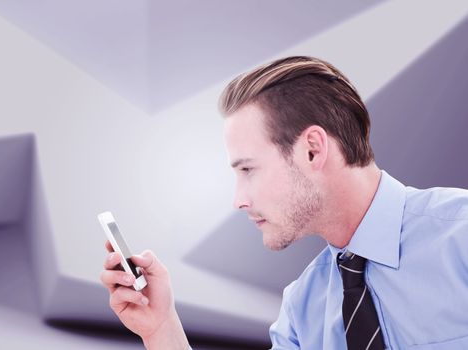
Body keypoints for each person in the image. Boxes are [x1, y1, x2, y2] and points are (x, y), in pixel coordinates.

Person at [100, 56, 468, 349]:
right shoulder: (302, 311)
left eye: (248, 169)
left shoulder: (460, 236)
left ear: (312, 150)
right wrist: (162, 329)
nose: (238, 201)